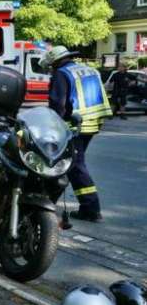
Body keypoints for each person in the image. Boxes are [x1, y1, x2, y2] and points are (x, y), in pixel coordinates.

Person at [41, 46, 112, 222]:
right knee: (69, 163)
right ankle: (50, 201)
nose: (51, 69)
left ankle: (91, 209)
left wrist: (51, 124)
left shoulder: (62, 73)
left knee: (74, 165)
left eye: (51, 65)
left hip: (75, 125)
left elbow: (58, 104)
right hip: (92, 122)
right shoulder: (89, 70)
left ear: (55, 61)